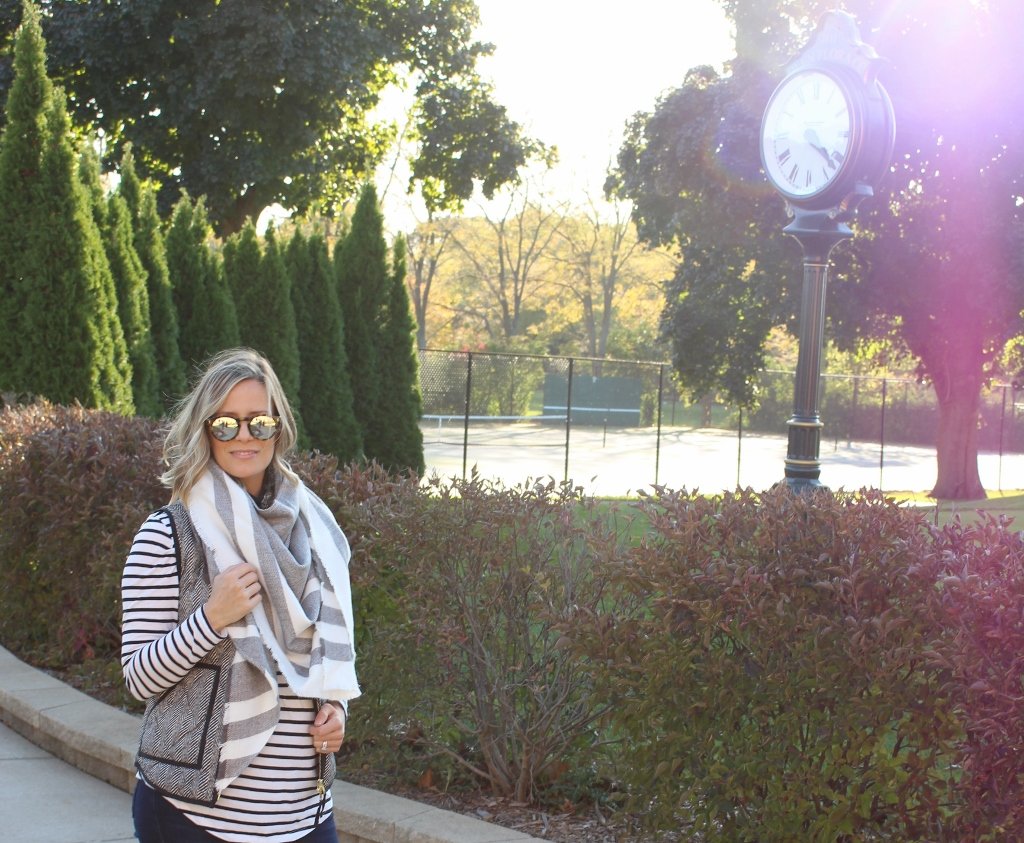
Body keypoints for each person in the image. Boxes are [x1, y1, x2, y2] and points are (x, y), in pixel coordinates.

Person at [121, 347, 360, 843]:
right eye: (226, 424)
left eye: (259, 422)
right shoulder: (168, 534)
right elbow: (139, 678)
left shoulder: (314, 531)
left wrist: (337, 710)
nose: (244, 435)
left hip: (304, 815)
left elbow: (324, 659)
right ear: (204, 430)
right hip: (194, 817)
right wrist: (211, 618)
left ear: (279, 429)